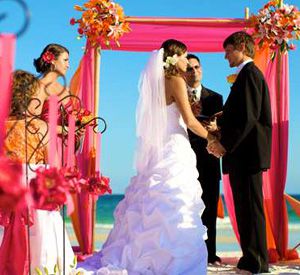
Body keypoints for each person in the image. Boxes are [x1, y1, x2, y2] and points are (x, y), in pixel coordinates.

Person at [79, 39, 216, 274]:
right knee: (176, 202)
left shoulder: (156, 84)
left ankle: (145, 256)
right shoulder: (175, 81)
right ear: (174, 58)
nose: (187, 60)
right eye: (184, 56)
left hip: (158, 150)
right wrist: (212, 140)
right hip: (174, 148)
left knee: (150, 203)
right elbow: (191, 122)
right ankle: (172, 262)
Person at [208, 31, 272, 274]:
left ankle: (257, 261)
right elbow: (241, 114)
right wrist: (221, 124)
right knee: (244, 207)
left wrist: (225, 144)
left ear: (242, 47)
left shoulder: (250, 75)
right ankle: (250, 257)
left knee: (251, 208)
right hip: (242, 154)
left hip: (248, 153)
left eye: (228, 50)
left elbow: (249, 117)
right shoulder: (245, 76)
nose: (225, 56)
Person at [0, 70, 75, 274]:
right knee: (44, 241)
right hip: (37, 192)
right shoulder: (40, 126)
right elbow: (53, 165)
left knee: (15, 238)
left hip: (12, 193)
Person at [186, 54, 223, 264]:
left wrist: (216, 129)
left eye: (197, 67)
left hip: (209, 160)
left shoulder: (215, 98)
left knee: (209, 207)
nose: (194, 72)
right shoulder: (177, 96)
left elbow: (223, 129)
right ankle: (189, 251)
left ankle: (210, 253)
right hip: (184, 159)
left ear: (202, 69)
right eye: (189, 68)